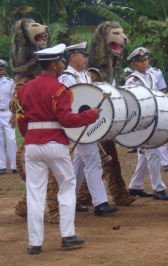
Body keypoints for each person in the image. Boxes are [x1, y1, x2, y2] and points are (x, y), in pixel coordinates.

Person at [17, 44, 101, 254]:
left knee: (35, 193)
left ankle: (35, 242)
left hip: (32, 144)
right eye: (61, 62)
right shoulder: (59, 89)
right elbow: (66, 120)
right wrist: (90, 115)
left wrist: (30, 136)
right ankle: (67, 235)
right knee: (66, 186)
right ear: (54, 65)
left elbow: (21, 119)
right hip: (55, 143)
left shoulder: (25, 88)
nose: (63, 64)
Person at [59, 42, 118, 216]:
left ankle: (69, 199)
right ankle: (100, 203)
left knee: (77, 164)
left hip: (86, 123)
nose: (86, 58)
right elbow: (67, 104)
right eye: (82, 55)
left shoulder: (84, 75)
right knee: (93, 162)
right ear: (72, 57)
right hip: (77, 125)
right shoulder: (67, 77)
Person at [125, 47, 168, 201]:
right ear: (134, 64)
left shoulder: (151, 76)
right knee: (153, 153)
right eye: (141, 61)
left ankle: (135, 186)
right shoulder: (133, 80)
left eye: (146, 60)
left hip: (154, 118)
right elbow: (132, 102)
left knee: (145, 154)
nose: (145, 63)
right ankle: (159, 188)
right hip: (142, 122)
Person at [0, 59, 17, 175]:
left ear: (4, 70)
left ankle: (14, 165)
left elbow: (14, 100)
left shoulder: (10, 82)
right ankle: (1, 166)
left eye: (1, 69)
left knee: (11, 139)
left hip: (7, 113)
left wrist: (14, 115)